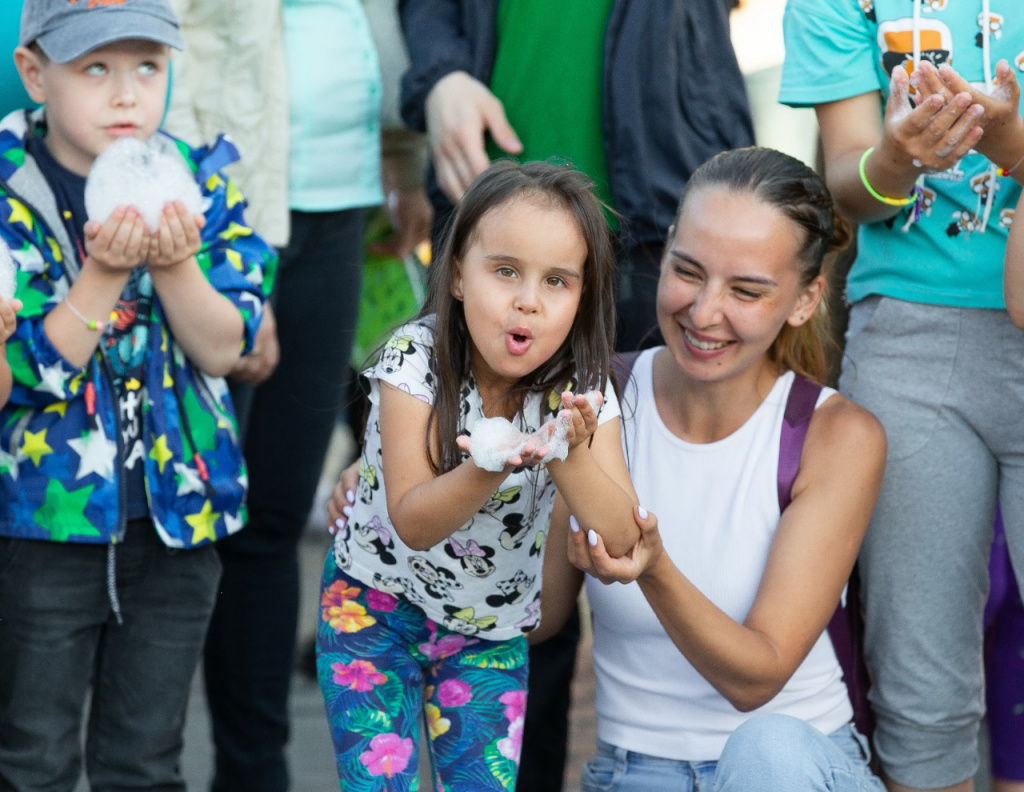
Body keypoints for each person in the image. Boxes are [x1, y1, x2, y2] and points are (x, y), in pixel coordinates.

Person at [0, 0, 275, 789]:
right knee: (32, 755)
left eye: (147, 67)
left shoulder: (199, 177)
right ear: (34, 73)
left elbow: (226, 349)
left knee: (146, 761)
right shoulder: (10, 191)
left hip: (178, 524)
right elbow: (27, 377)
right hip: (43, 526)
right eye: (96, 69)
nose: (126, 94)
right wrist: (106, 270)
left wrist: (174, 262)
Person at [551, 146, 887, 790]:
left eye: (746, 290)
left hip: (792, 768)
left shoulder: (835, 434)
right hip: (633, 771)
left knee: (768, 754)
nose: (704, 312)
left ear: (805, 298)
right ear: (669, 245)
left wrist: (654, 568)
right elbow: (538, 620)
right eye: (688, 271)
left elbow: (755, 678)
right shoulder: (594, 399)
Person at [317, 159, 638, 791]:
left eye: (557, 282)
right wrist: (493, 463)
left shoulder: (584, 394)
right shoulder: (412, 361)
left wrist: (566, 452)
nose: (528, 300)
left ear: (583, 296)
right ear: (458, 272)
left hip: (486, 636)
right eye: (506, 271)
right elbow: (412, 520)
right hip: (372, 612)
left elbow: (621, 535)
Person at [780, 3, 1024, 790]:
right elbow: (846, 184)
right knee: (919, 689)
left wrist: (1012, 145)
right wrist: (894, 158)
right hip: (909, 346)